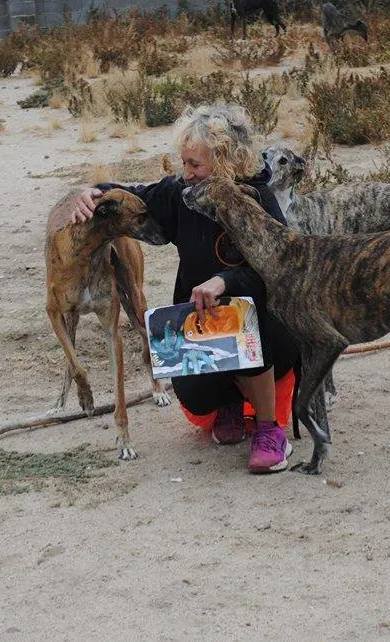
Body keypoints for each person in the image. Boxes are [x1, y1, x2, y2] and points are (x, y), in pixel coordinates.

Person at [71, 103, 300, 474]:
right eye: (185, 163)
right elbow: (137, 196)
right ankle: (228, 403)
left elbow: (281, 271)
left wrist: (225, 281)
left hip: (267, 329)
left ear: (227, 161)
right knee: (191, 390)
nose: (187, 173)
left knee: (247, 328)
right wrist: (95, 192)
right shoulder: (182, 193)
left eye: (195, 165)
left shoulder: (258, 198)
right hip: (203, 326)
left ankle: (268, 429)